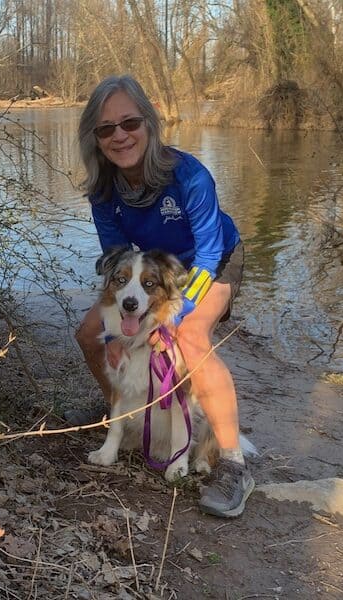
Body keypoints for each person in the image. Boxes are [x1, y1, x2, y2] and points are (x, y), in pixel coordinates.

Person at [66, 74, 254, 518]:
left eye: (129, 122)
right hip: (149, 273)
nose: (119, 135)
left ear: (149, 123)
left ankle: (233, 464)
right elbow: (115, 258)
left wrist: (175, 313)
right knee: (90, 333)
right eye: (106, 128)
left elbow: (208, 253)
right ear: (95, 138)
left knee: (189, 337)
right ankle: (130, 419)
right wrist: (117, 334)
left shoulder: (189, 176)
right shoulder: (103, 191)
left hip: (211, 263)